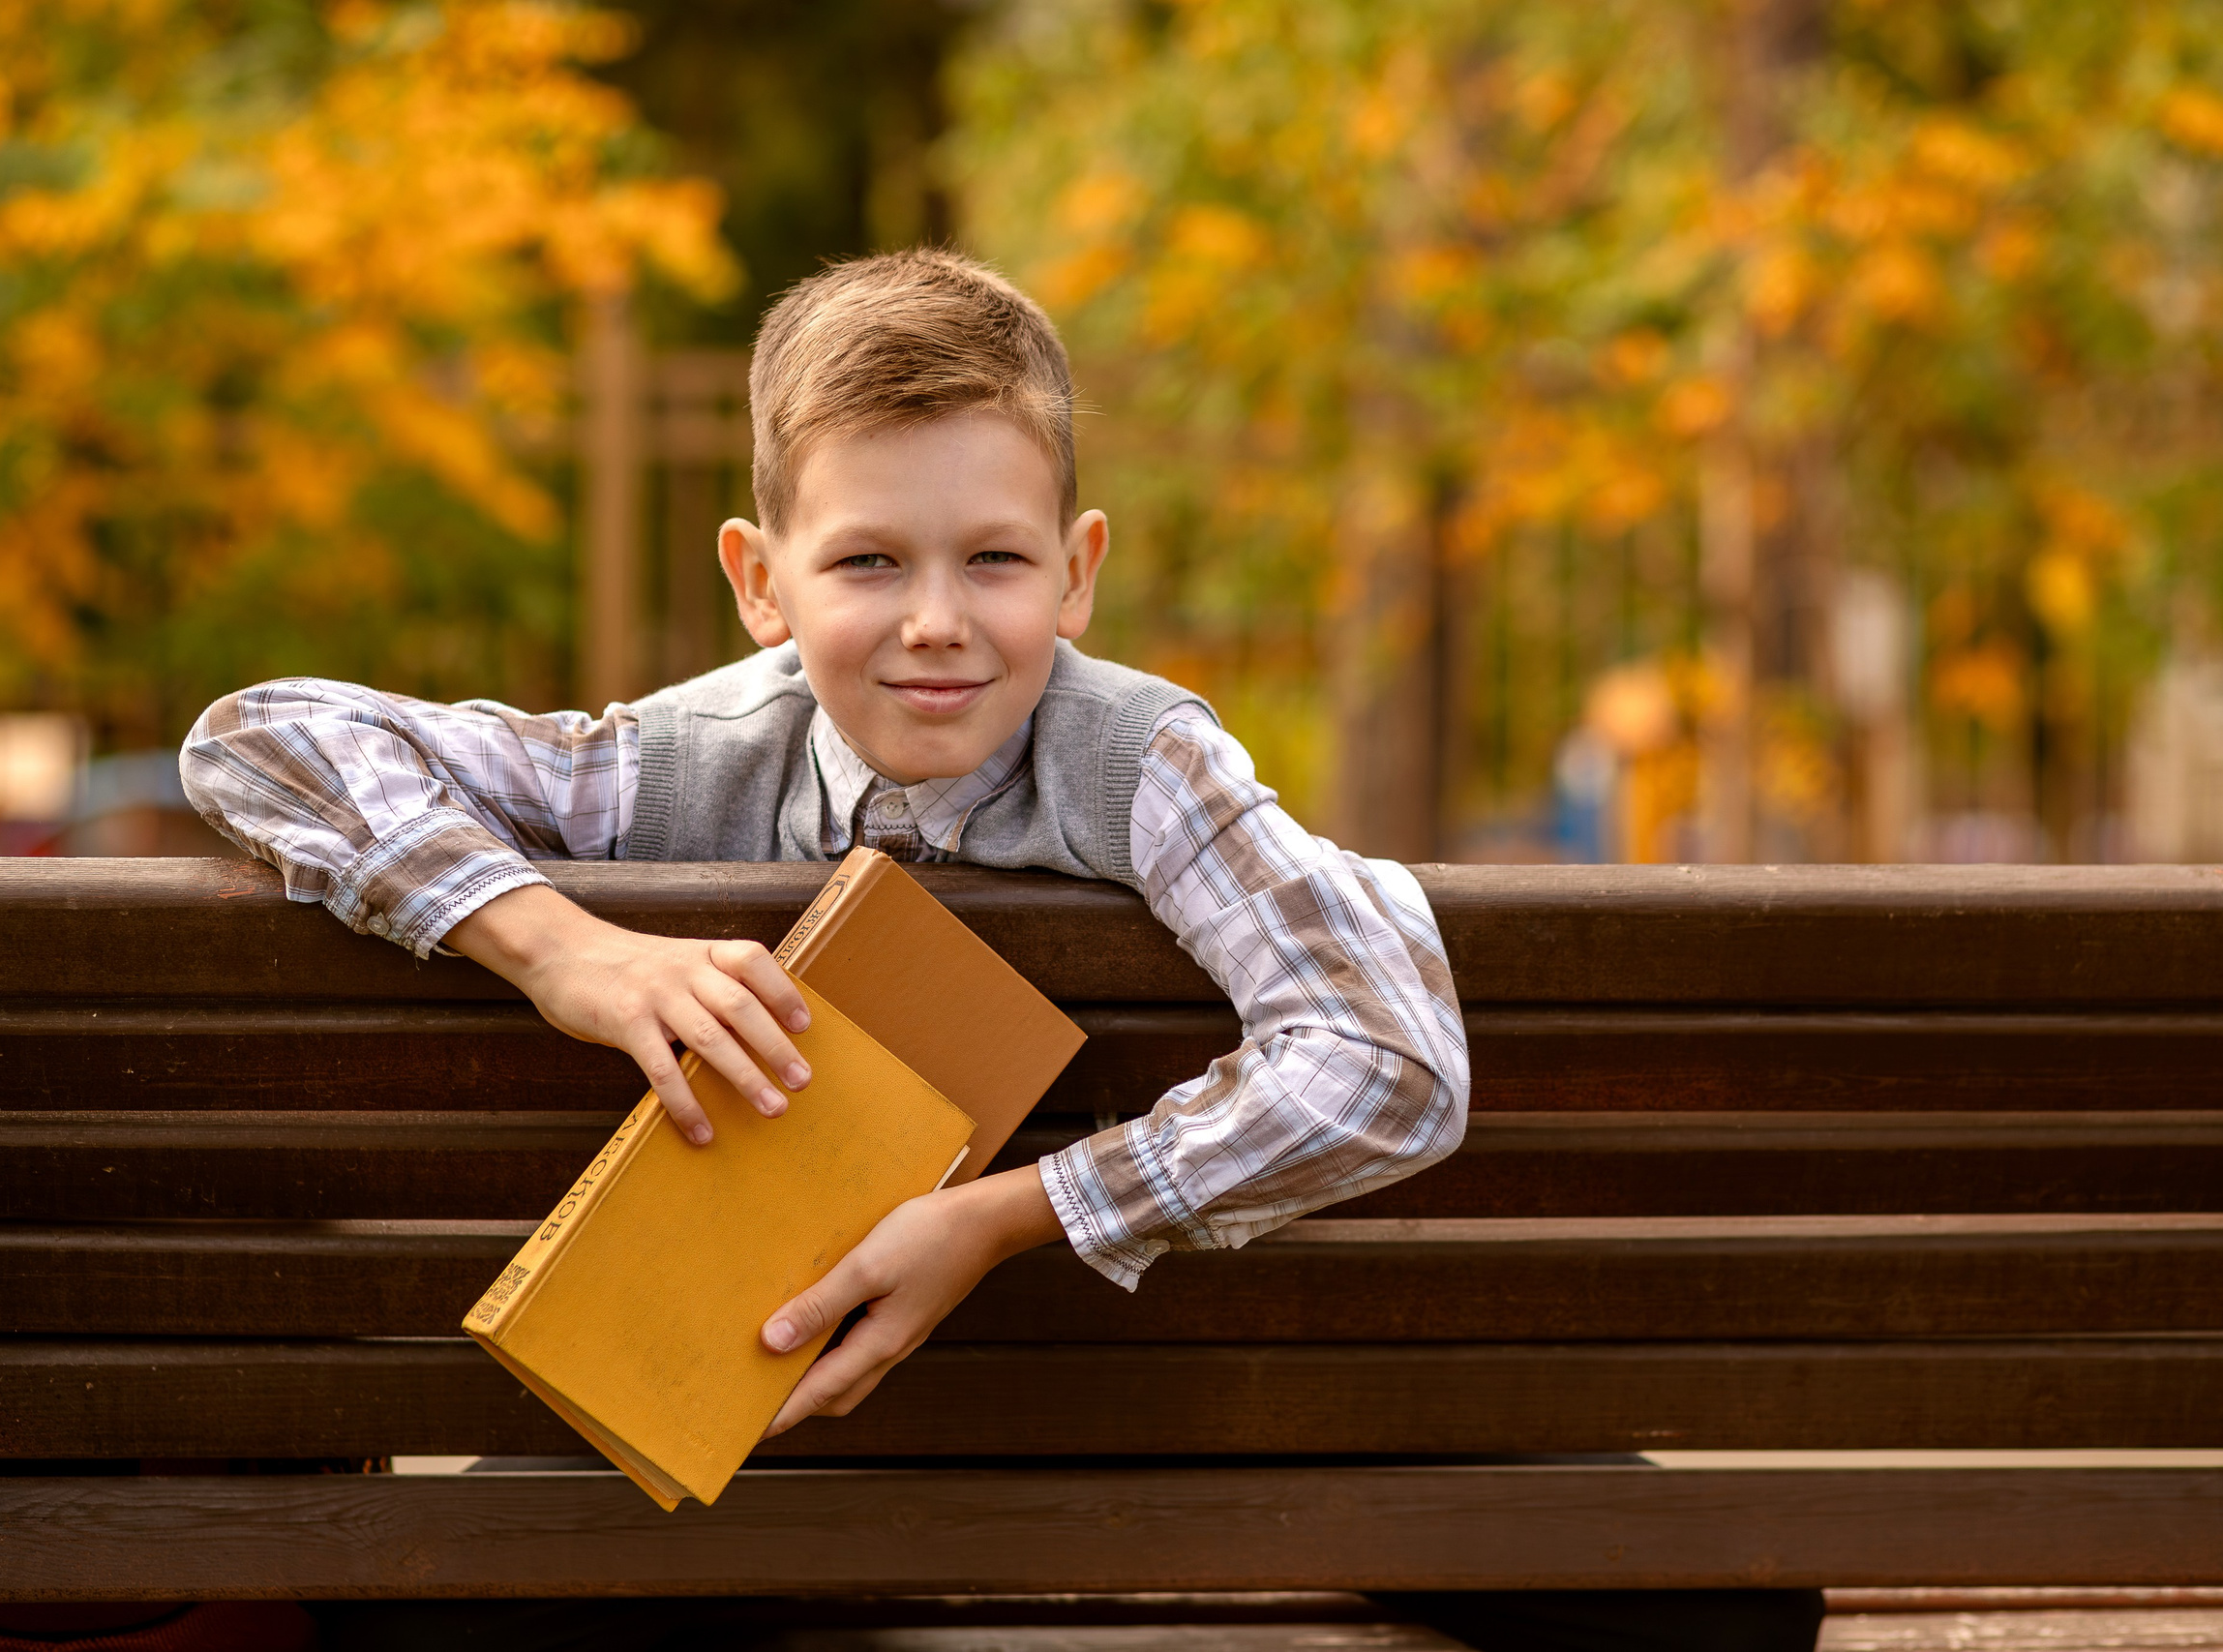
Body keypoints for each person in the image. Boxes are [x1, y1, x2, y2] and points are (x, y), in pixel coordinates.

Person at [181, 248, 1821, 1652]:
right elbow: (256, 739)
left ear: (1080, 570)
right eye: (870, 561)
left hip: (1059, 1452)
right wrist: (570, 953)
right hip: (828, 1432)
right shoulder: (677, 761)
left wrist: (998, 1217)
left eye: (995, 560)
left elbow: (1387, 1063)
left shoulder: (1141, 763)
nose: (937, 621)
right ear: (760, 581)